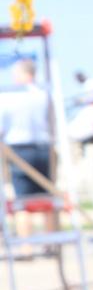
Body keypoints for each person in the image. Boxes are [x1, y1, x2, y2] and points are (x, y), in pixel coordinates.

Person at [0, 59, 56, 246]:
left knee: (22, 202)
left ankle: (27, 247)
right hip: (44, 148)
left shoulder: (9, 97)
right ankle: (51, 243)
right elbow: (53, 123)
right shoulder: (44, 94)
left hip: (19, 150)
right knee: (48, 199)